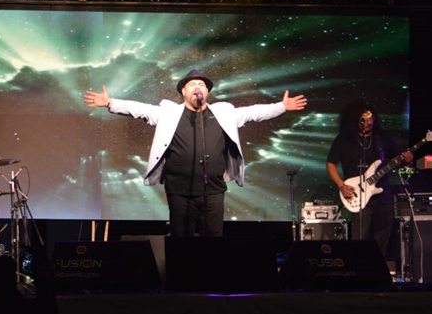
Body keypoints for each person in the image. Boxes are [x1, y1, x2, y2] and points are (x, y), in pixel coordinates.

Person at [83, 68, 307, 236]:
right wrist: (110, 103)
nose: (197, 87)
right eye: (192, 84)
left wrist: (281, 107)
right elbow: (139, 109)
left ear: (207, 91)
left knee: (213, 240)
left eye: (201, 84)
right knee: (181, 240)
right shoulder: (169, 113)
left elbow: (253, 113)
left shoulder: (223, 113)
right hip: (179, 190)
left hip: (213, 190)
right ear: (183, 91)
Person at [326, 100, 412, 257]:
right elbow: (331, 164)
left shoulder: (382, 137)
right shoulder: (343, 139)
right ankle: (358, 267)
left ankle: (379, 266)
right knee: (360, 237)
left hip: (382, 196)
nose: (369, 122)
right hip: (358, 195)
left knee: (383, 236)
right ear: (355, 120)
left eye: (371, 118)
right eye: (364, 119)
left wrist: (406, 160)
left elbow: (397, 161)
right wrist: (341, 185)